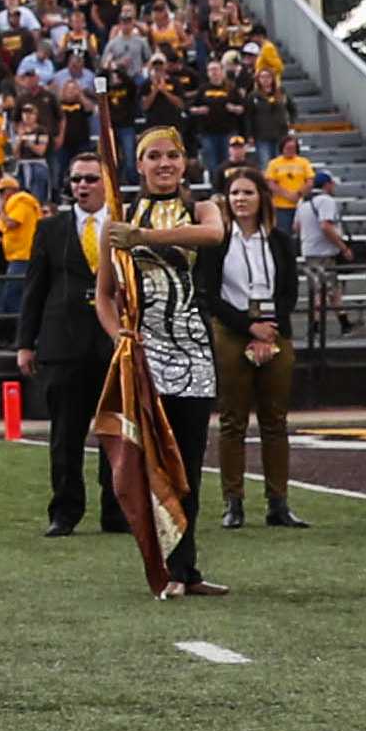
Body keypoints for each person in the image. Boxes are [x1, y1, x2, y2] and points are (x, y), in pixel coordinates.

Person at [110, 129, 234, 591]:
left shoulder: (199, 208)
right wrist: (118, 334)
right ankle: (160, 566)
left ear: (185, 164)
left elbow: (213, 233)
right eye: (153, 156)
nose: (164, 163)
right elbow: (104, 295)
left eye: (173, 155)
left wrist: (142, 236)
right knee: (150, 465)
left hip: (194, 352)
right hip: (145, 355)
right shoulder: (122, 215)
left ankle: (185, 567)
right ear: (138, 165)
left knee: (188, 464)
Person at [14, 152, 133, 537]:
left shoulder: (125, 228)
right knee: (65, 435)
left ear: (107, 184)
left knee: (114, 432)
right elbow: (34, 288)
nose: (82, 185)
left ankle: (116, 511)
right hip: (61, 345)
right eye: (77, 179)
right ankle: (64, 512)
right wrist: (25, 343)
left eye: (90, 179)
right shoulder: (50, 229)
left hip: (112, 344)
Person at [201, 167, 305, 530]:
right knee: (233, 420)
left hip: (275, 330)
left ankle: (279, 503)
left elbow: (290, 289)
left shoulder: (278, 240)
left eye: (247, 192)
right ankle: (234, 503)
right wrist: (248, 328)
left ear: (262, 196)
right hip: (232, 330)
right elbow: (209, 295)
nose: (240, 199)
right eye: (234, 194)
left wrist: (269, 331)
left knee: (275, 420)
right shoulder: (217, 241)